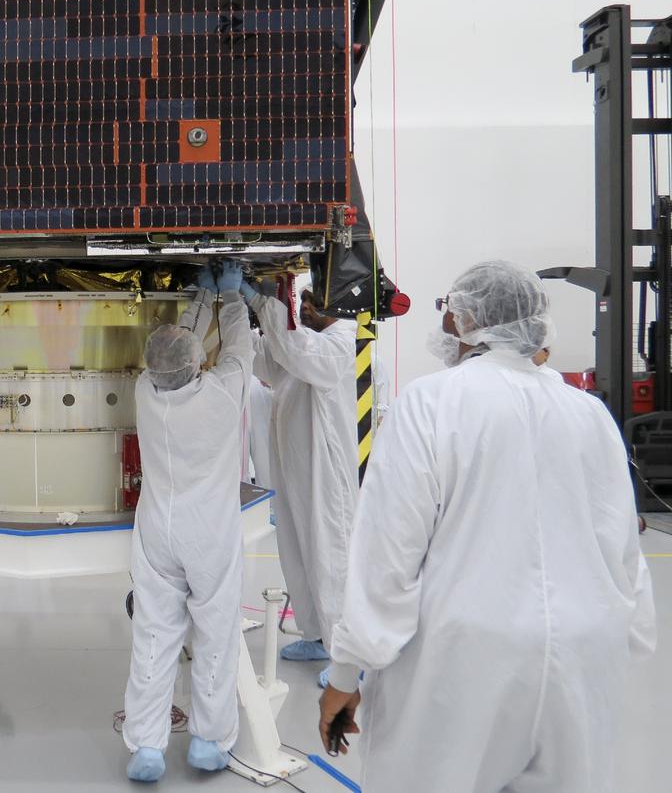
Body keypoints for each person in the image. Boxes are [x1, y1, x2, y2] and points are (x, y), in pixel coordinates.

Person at [319, 261, 657, 793]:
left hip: (461, 665)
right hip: (582, 658)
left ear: (465, 319)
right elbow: (620, 547)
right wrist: (624, 641)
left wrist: (346, 673)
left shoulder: (430, 404)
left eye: (447, 311)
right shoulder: (587, 412)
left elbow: (388, 554)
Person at [122, 261, 256, 782]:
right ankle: (207, 740)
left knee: (154, 636)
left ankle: (147, 749)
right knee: (216, 633)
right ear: (199, 363)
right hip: (211, 534)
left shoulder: (145, 395)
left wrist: (198, 303)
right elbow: (239, 349)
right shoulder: (222, 395)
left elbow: (177, 351)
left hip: (157, 530)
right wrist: (231, 298)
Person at [245, 285, 359, 683]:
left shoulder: (343, 340)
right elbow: (269, 359)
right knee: (296, 551)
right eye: (303, 302)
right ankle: (315, 633)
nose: (306, 309)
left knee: (330, 556)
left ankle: (346, 654)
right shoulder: (306, 342)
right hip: (294, 468)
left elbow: (299, 350)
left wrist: (264, 303)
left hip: (326, 473)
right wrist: (239, 312)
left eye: (313, 303)